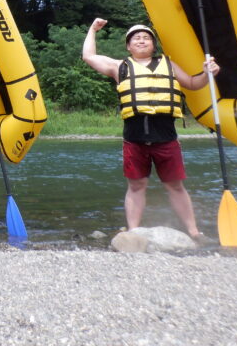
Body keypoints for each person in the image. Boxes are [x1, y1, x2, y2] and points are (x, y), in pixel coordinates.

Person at [82, 18, 219, 240]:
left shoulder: (169, 65)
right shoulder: (119, 67)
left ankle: (193, 231)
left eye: (146, 37)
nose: (141, 40)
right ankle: (134, 231)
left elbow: (194, 83)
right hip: (134, 139)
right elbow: (89, 56)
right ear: (128, 46)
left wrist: (208, 73)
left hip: (166, 138)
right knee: (136, 185)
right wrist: (93, 29)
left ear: (153, 45)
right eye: (136, 38)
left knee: (175, 185)